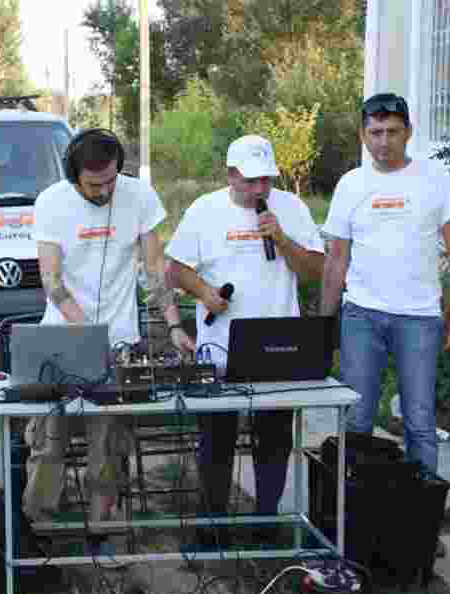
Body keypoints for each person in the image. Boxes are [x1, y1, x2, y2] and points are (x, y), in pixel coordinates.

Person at [321, 94, 450, 556]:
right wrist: (323, 326)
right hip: (362, 316)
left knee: (420, 421)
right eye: (374, 133)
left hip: (419, 318)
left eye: (391, 132)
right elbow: (336, 259)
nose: (383, 142)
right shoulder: (351, 184)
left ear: (408, 131)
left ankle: (423, 527)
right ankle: (355, 520)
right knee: (358, 418)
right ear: (363, 135)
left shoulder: (435, 178)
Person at [23, 128, 194, 524]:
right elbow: (52, 282)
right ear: (73, 175)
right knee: (49, 443)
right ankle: (38, 530)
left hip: (120, 342)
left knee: (109, 446)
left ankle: (102, 528)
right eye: (94, 184)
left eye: (111, 181)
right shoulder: (51, 203)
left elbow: (155, 270)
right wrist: (87, 334)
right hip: (63, 339)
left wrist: (173, 326)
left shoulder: (139, 197)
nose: (104, 192)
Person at [165, 135, 325, 542]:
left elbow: (314, 271)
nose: (259, 190)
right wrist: (204, 294)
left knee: (273, 438)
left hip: (279, 344)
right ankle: (212, 525)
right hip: (220, 347)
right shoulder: (205, 211)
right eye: (250, 181)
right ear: (231, 174)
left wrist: (283, 240)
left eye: (266, 181)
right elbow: (175, 269)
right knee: (216, 439)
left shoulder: (291, 208)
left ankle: (266, 521)